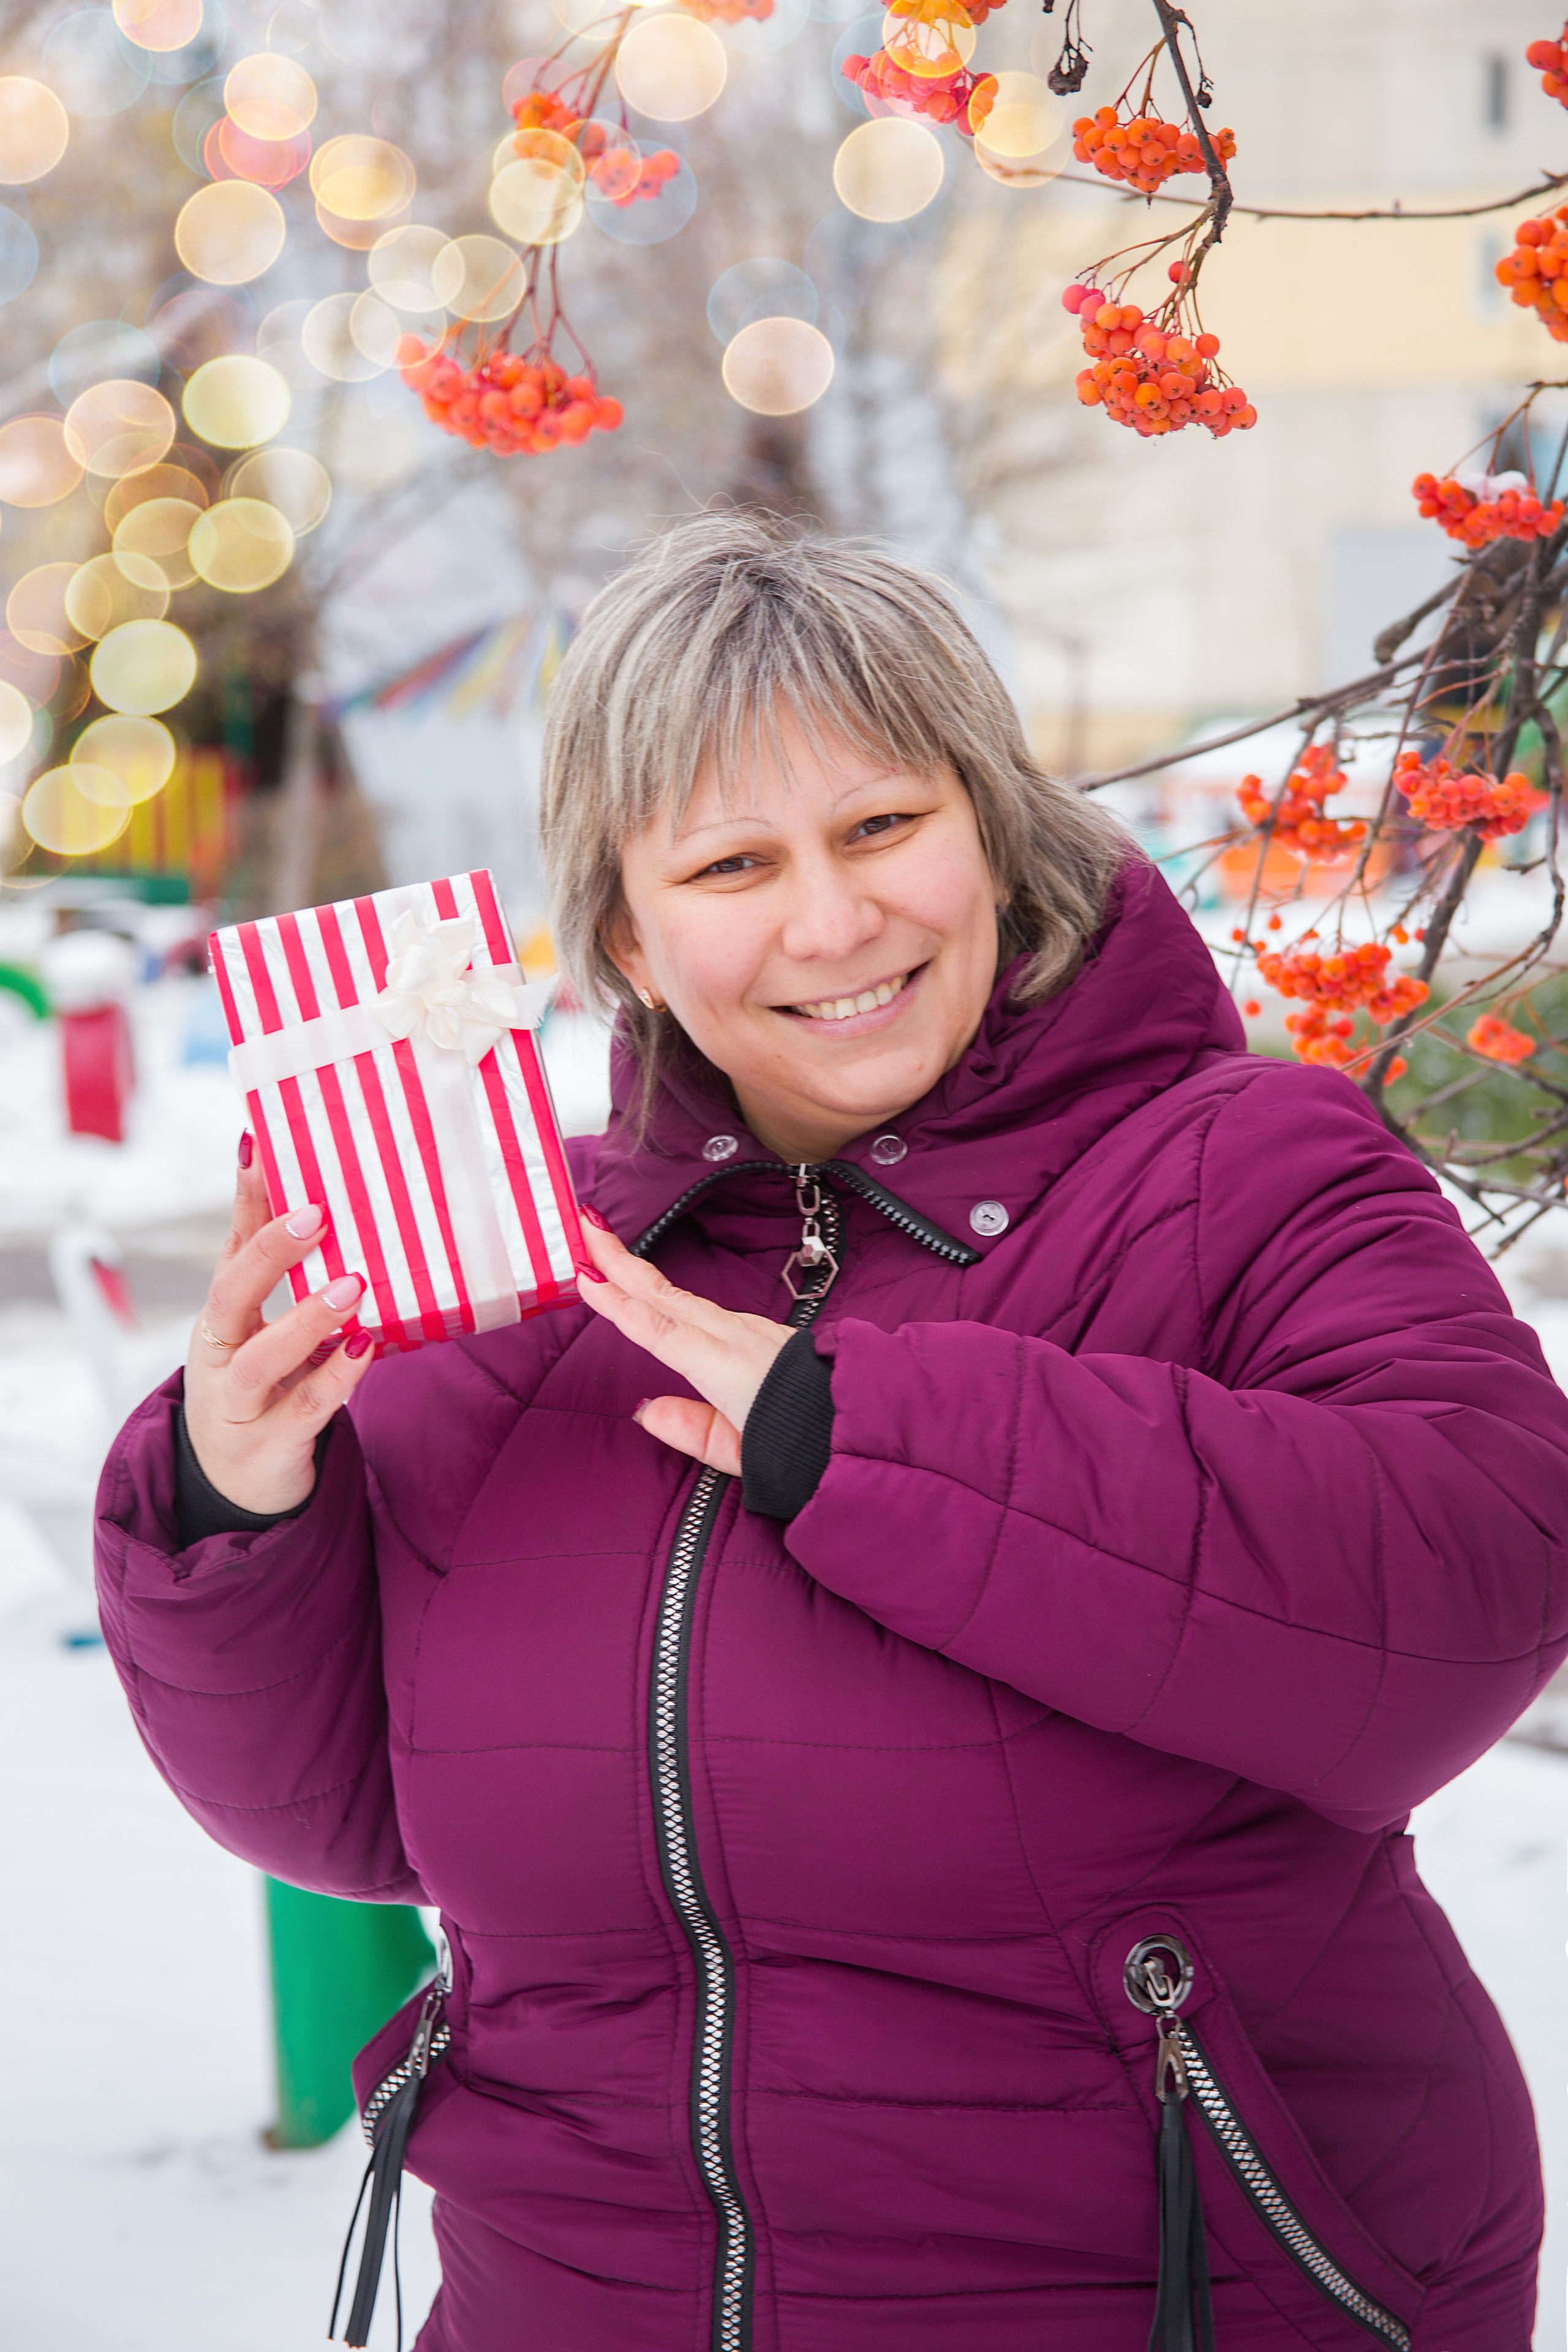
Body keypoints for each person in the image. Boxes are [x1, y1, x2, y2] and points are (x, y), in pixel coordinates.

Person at [96, 515, 1568, 2352]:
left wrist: (858, 1436)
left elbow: (1466, 1600)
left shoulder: (1248, 1170)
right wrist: (241, 1500)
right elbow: (340, 1819)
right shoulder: (528, 1282)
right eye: (731, 861)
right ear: (627, 924)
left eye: (883, 826)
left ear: (986, 818)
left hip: (1179, 2288)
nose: (831, 921)